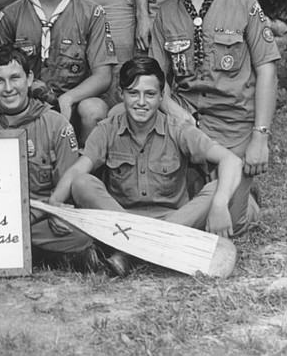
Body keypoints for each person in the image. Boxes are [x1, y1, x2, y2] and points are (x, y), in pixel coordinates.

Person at [48, 56, 243, 276]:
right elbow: (77, 170)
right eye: (133, 93)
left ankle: (130, 252)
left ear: (161, 97)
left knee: (219, 188)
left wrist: (219, 203)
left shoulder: (177, 128)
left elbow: (231, 160)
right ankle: (152, 247)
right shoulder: (107, 129)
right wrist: (55, 202)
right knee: (82, 183)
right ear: (121, 95)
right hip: (122, 221)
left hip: (174, 221)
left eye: (150, 94)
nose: (141, 102)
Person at [149, 0, 279, 236]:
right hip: (188, 129)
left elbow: (267, 70)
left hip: (234, 129)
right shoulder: (166, 14)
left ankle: (236, 202)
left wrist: (260, 138)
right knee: (177, 198)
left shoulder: (244, 6)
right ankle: (225, 192)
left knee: (230, 224)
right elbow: (155, 78)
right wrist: (172, 109)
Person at [0, 45, 100, 271]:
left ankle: (9, 250)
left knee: (80, 235)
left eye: (15, 78)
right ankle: (35, 254)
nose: (8, 88)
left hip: (42, 219)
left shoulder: (56, 124)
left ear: (28, 79)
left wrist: (37, 214)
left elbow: (66, 192)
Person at [0, 0, 117, 144]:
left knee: (95, 109)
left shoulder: (91, 12)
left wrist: (68, 98)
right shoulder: (10, 16)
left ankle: (84, 173)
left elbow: (103, 76)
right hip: (26, 103)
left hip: (73, 104)